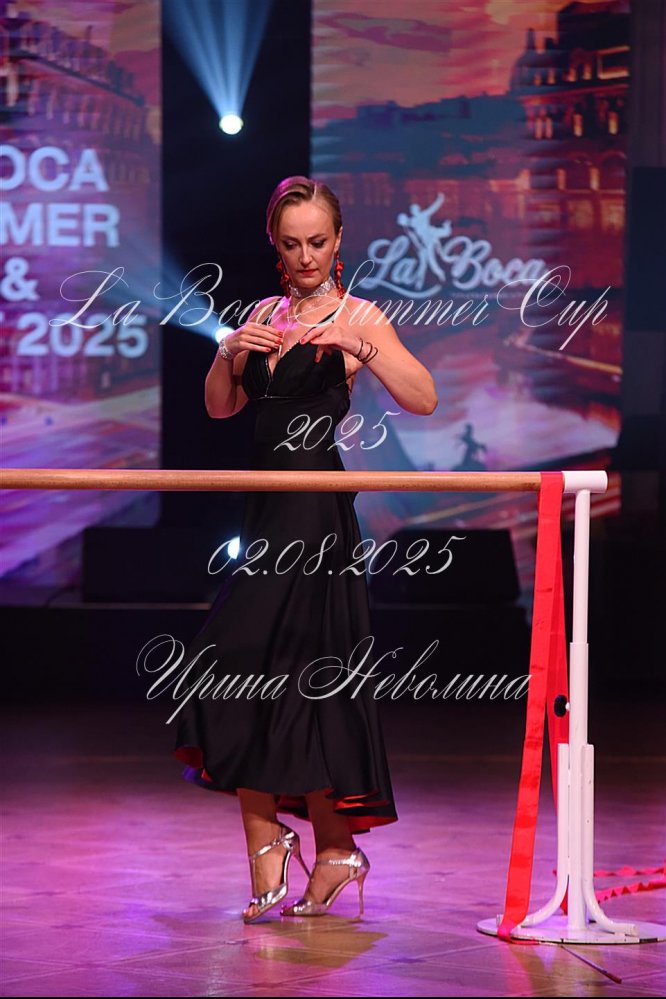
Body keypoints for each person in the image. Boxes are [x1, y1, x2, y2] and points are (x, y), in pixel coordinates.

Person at [173, 175, 438, 923]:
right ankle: (332, 848)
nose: (306, 256)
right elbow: (222, 408)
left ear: (339, 239)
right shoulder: (262, 313)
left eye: (317, 241)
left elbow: (423, 397)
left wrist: (363, 347)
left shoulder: (360, 314)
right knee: (283, 683)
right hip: (266, 514)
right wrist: (227, 352)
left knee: (237, 666)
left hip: (316, 519)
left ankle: (271, 842)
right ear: (275, 245)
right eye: (291, 244)